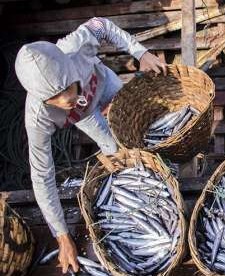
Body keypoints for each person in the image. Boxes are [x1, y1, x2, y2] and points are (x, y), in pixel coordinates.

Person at [14, 17, 166, 274]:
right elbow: (41, 177)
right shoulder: (37, 118)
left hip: (105, 84)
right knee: (117, 152)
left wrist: (141, 52)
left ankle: (158, 162)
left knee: (140, 125)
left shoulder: (75, 45)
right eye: (55, 98)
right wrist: (61, 236)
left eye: (68, 88)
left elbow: (103, 25)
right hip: (87, 118)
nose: (68, 99)